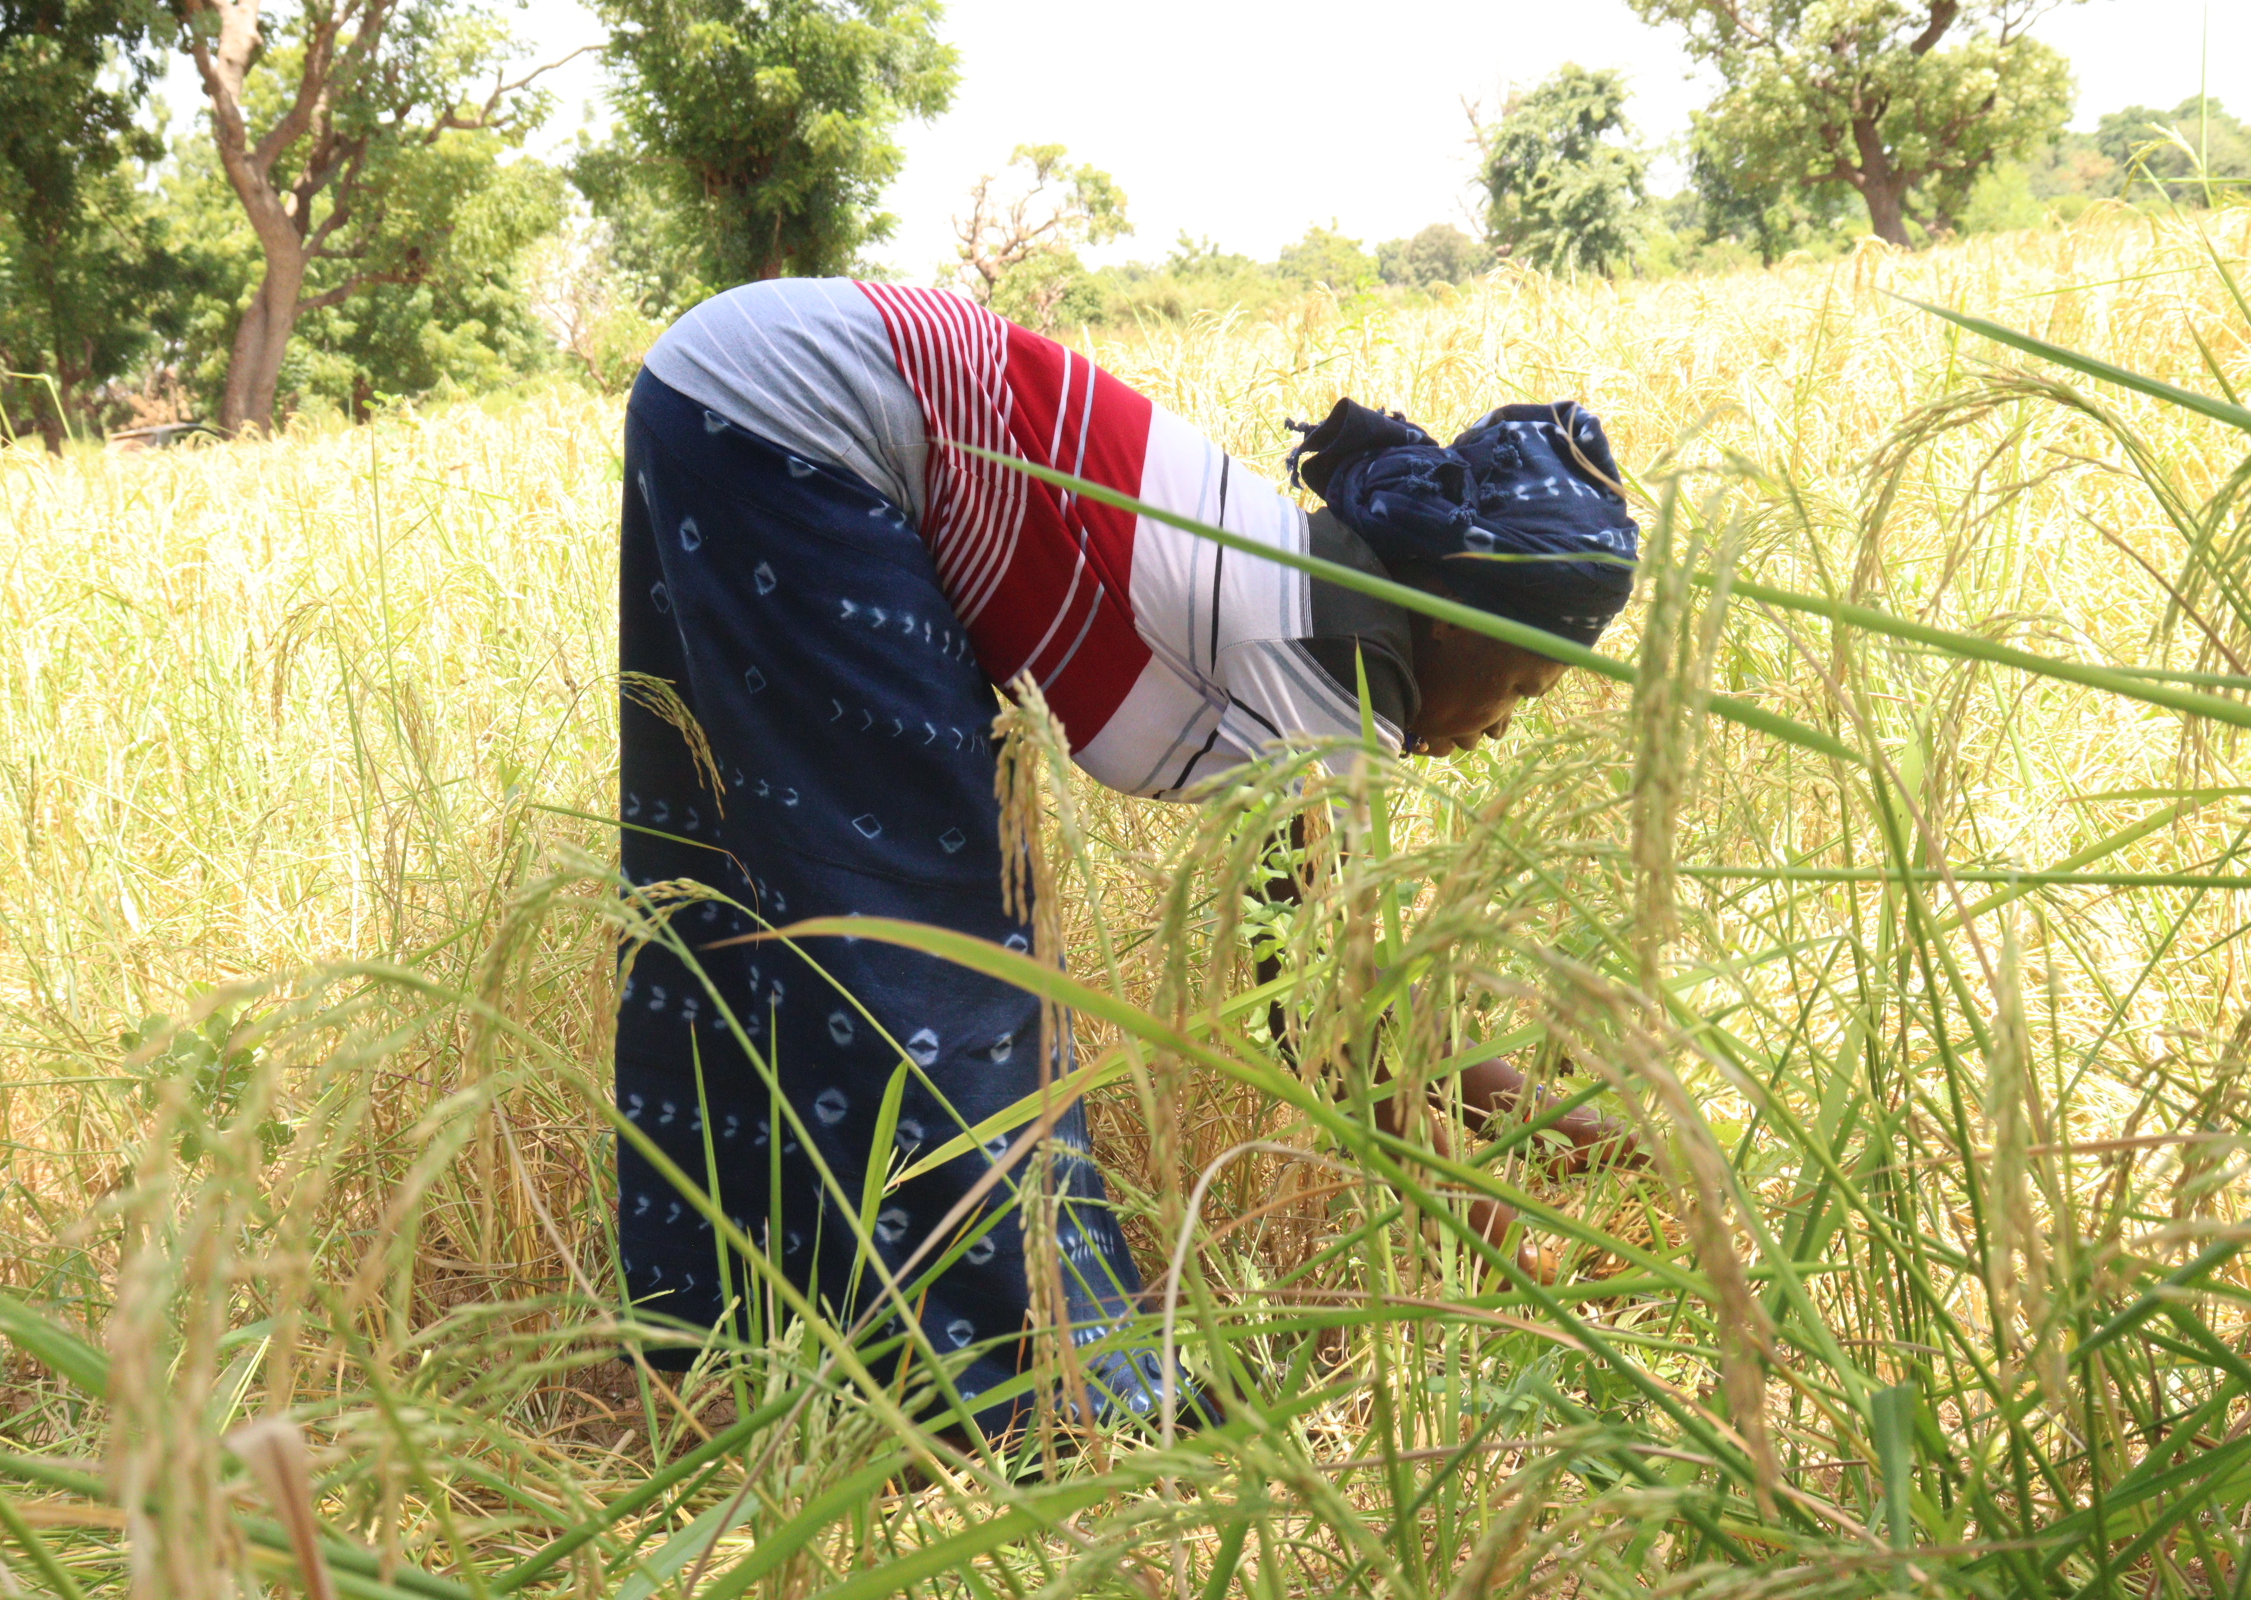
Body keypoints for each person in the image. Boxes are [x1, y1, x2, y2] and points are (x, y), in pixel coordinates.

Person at [613, 278, 1640, 1434]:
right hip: (806, 422)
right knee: (940, 929)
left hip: (735, 385)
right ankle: (1043, 1391)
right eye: (1526, 684)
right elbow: (1335, 1022)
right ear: (1453, 618)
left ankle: (728, 1319)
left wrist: (1571, 1134)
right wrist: (1522, 1263)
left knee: (744, 877)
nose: (1507, 725)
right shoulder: (1327, 677)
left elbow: (1363, 989)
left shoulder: (1329, 615)